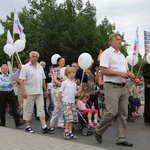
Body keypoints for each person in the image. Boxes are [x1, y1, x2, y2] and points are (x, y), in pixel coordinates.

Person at [95, 33, 135, 147]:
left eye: (120, 39)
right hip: (111, 86)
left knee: (123, 113)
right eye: (117, 39)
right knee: (112, 112)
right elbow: (103, 71)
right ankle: (98, 130)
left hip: (123, 87)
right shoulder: (107, 53)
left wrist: (129, 74)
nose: (119, 41)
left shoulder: (122, 55)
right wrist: (120, 73)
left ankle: (121, 138)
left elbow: (125, 71)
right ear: (110, 42)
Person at [19, 51, 54, 133]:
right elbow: (21, 80)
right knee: (28, 109)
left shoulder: (40, 67)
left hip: (39, 92)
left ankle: (44, 126)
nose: (34, 58)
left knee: (41, 109)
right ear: (30, 57)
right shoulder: (25, 67)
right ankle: (28, 126)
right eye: (33, 56)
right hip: (29, 92)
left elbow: (43, 79)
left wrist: (45, 90)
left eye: (36, 57)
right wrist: (23, 91)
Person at [57, 66, 79, 140]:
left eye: (74, 72)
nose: (73, 74)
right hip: (66, 101)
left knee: (72, 118)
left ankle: (70, 132)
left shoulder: (73, 84)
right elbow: (60, 92)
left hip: (72, 102)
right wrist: (58, 103)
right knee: (69, 118)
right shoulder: (65, 83)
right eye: (71, 73)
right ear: (67, 74)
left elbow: (75, 94)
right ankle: (66, 132)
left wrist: (80, 91)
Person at [50, 56, 65, 129]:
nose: (63, 62)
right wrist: (62, 84)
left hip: (63, 90)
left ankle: (60, 123)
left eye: (64, 61)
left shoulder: (65, 70)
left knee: (61, 107)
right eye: (61, 61)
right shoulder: (55, 70)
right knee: (57, 106)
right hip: (57, 89)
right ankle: (52, 121)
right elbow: (55, 79)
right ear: (58, 62)